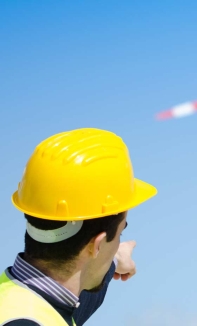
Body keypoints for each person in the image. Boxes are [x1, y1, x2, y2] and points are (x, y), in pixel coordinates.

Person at [0, 128, 157, 326]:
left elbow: (71, 308)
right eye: (120, 232)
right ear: (96, 245)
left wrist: (115, 258)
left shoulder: (21, 302)